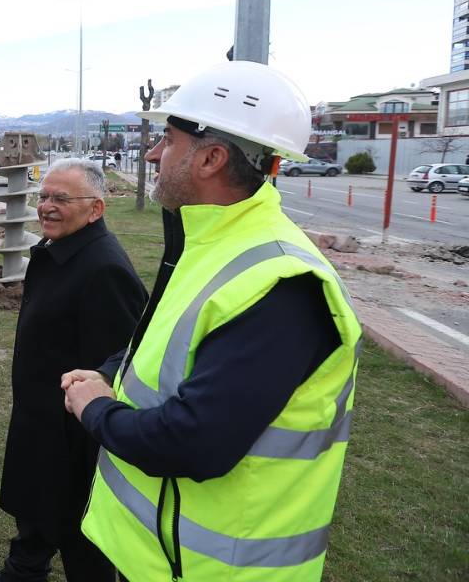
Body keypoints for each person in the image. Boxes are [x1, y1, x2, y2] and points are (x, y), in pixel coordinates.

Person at [61, 61, 362, 582]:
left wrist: (96, 410)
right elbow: (163, 344)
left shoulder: (282, 284)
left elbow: (195, 442)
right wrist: (112, 371)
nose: (152, 154)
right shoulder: (211, 242)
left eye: (169, 140)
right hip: (156, 556)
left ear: (212, 158)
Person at [0, 158, 146, 582]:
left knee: (77, 527)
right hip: (39, 410)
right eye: (43, 196)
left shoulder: (104, 268)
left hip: (71, 430)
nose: (46, 206)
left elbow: (121, 358)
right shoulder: (61, 249)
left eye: (61, 199)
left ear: (95, 209)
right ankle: (23, 572)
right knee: (34, 502)